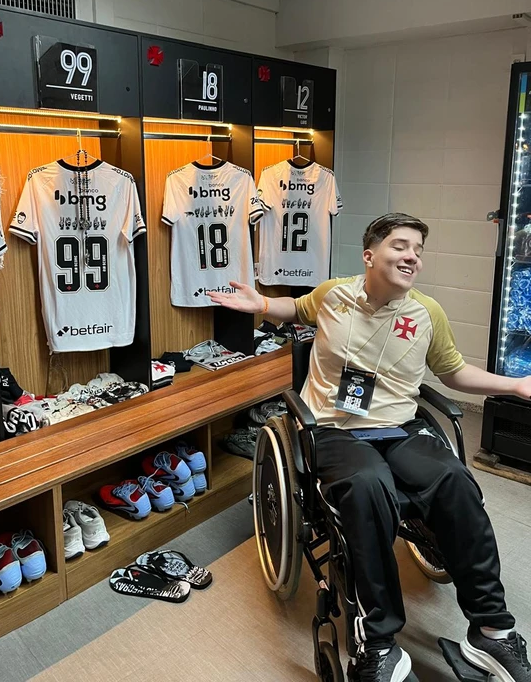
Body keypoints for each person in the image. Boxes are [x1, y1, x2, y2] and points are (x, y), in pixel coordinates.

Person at [208, 212, 531, 682]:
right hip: (335, 430)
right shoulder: (333, 294)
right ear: (369, 255)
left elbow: (454, 373)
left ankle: (492, 631)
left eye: (418, 250)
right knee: (367, 485)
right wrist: (261, 303)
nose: (412, 256)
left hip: (398, 428)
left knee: (456, 480)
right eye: (401, 246)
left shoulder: (426, 314)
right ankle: (380, 643)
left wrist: (516, 386)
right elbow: (295, 310)